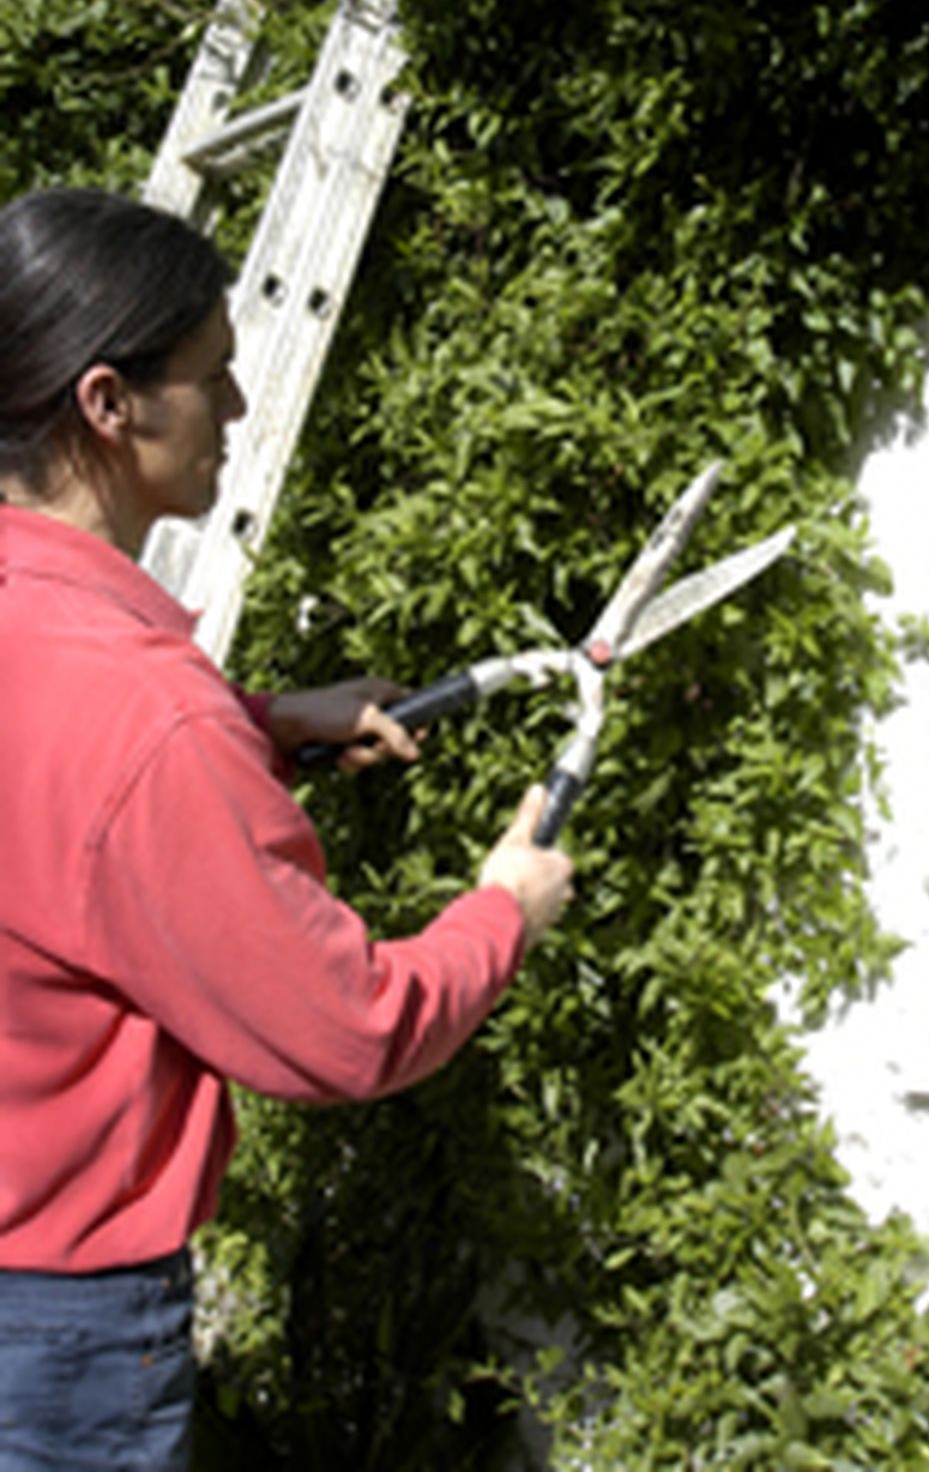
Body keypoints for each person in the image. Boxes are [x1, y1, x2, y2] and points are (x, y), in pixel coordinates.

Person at [0, 185, 574, 1470]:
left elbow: (46, 800)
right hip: (51, 1336)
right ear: (108, 405)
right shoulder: (143, 715)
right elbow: (345, 1030)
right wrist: (504, 913)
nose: (240, 411)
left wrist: (258, 723)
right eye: (214, 377)